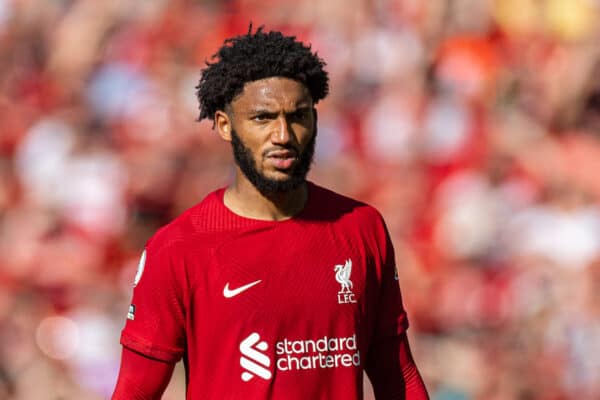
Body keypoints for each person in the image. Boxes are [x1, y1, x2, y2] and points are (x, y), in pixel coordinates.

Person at [112, 25, 429, 400]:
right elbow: (135, 391)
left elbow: (397, 373)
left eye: (297, 116)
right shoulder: (178, 248)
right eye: (263, 118)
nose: (283, 134)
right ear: (225, 126)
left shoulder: (361, 228)